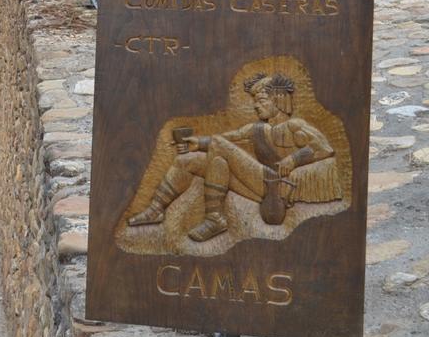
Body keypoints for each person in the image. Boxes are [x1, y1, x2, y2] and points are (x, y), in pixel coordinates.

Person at [127, 72, 342, 242]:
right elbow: (228, 138)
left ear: (278, 99)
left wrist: (292, 160)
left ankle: (215, 219)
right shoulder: (256, 129)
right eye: (254, 101)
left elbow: (324, 149)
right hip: (257, 183)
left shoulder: (295, 126)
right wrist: (198, 143)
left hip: (278, 188)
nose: (256, 105)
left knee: (219, 149)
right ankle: (158, 210)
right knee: (191, 160)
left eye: (261, 100)